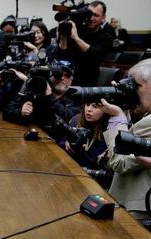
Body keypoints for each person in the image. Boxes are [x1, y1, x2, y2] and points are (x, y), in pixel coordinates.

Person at [98, 58, 151, 225]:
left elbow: (120, 161)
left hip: (137, 209)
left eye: (136, 86)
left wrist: (117, 118)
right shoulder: (145, 117)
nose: (132, 91)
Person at [3, 60, 80, 140]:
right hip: (30, 137)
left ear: (71, 80)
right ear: (51, 76)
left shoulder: (75, 98)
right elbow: (7, 110)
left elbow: (68, 119)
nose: (62, 78)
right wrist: (21, 112)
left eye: (67, 76)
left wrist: (49, 96)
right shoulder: (37, 90)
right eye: (58, 74)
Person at [55, 1, 112, 86]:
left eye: (96, 15)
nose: (91, 18)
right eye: (89, 14)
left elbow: (94, 55)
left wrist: (76, 38)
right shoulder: (77, 29)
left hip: (88, 82)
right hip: (68, 79)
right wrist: (63, 36)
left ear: (103, 17)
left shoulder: (106, 38)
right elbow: (62, 55)